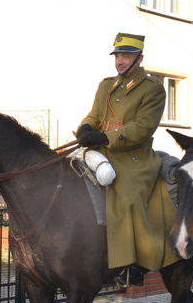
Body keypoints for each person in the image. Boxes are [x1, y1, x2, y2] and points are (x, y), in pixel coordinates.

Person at [75, 32, 178, 287]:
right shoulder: (106, 85)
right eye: (118, 55)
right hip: (102, 150)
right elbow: (93, 115)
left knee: (127, 191)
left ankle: (132, 262)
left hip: (134, 156)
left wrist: (104, 136)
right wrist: (85, 128)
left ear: (139, 58)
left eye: (127, 56)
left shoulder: (153, 88)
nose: (121, 61)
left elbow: (143, 128)